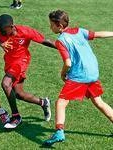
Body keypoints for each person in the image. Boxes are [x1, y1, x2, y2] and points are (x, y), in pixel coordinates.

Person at [43, 10, 113, 146]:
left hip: (80, 75)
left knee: (61, 103)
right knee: (99, 102)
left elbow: (68, 63)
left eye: (51, 24)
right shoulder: (79, 31)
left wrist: (62, 74)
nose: (50, 27)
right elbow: (98, 34)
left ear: (59, 26)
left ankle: (59, 132)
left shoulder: (61, 41)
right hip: (93, 72)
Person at [0, 14, 56, 129]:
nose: (1, 34)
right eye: (0, 31)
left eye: (3, 31)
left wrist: (62, 48)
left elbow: (45, 41)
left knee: (5, 83)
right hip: (9, 64)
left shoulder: (25, 31)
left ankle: (16, 117)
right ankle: (43, 102)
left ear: (12, 26)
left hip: (21, 62)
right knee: (18, 94)